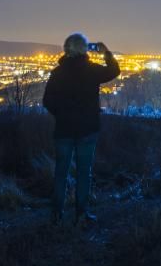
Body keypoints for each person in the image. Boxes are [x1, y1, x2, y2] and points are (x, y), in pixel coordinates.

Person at [41, 33, 120, 224]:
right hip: (87, 129)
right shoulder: (91, 70)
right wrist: (106, 52)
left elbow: (47, 101)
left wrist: (61, 115)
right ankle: (81, 214)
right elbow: (114, 71)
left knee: (61, 171)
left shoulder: (58, 73)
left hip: (63, 129)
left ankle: (56, 214)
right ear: (84, 49)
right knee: (84, 172)